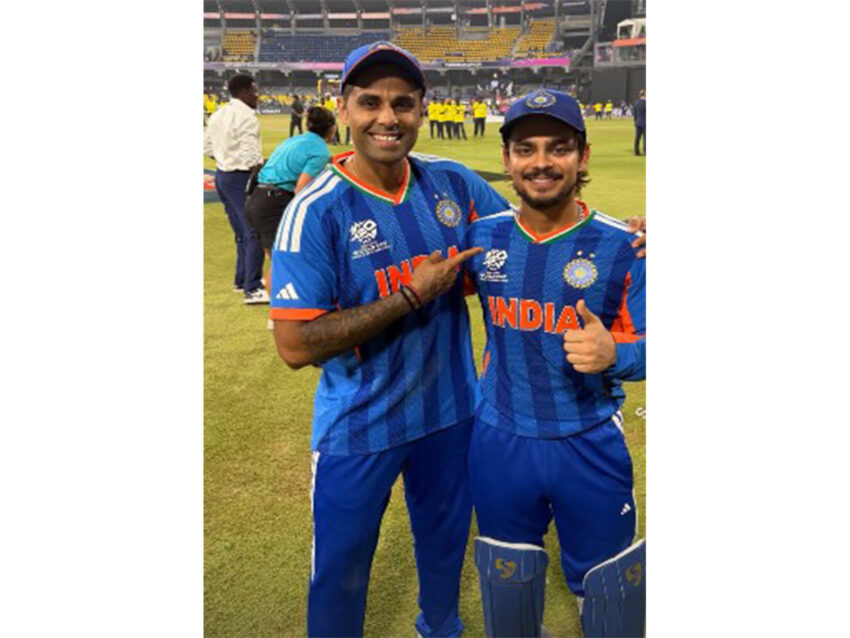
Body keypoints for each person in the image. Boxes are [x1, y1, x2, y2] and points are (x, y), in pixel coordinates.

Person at [268, 41, 513, 638]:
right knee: (341, 569)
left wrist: (619, 237)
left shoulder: (453, 182)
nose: (388, 117)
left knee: (445, 545)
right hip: (359, 426)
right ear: (344, 109)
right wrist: (411, 295)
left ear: (421, 110)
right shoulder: (316, 210)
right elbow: (296, 346)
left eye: (402, 103)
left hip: (450, 414)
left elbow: (522, 238)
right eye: (370, 102)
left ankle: (441, 627)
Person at [464, 89, 645, 636]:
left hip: (587, 440)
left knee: (612, 595)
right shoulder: (481, 237)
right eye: (526, 149)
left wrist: (617, 354)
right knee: (508, 591)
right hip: (500, 439)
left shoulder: (626, 247)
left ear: (582, 156)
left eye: (558, 147)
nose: (541, 162)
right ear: (507, 159)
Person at [244, 106, 336, 318]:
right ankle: (280, 316)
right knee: (282, 262)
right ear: (332, 128)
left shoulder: (294, 140)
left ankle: (278, 313)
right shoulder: (320, 150)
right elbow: (301, 189)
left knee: (276, 260)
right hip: (274, 203)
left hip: (256, 198)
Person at [204, 73, 267, 303]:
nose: (257, 96)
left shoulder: (218, 114)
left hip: (223, 176)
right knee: (254, 231)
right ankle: (252, 287)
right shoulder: (246, 117)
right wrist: (260, 173)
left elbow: (206, 147)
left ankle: (241, 280)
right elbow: (251, 156)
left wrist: (225, 158)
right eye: (254, 91)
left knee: (241, 233)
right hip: (241, 177)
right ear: (245, 92)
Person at [633, 89, 646, 156]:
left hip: (638, 122)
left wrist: (635, 121)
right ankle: (645, 151)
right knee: (645, 138)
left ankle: (636, 151)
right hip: (645, 122)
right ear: (645, 95)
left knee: (637, 137)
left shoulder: (636, 103)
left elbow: (634, 113)